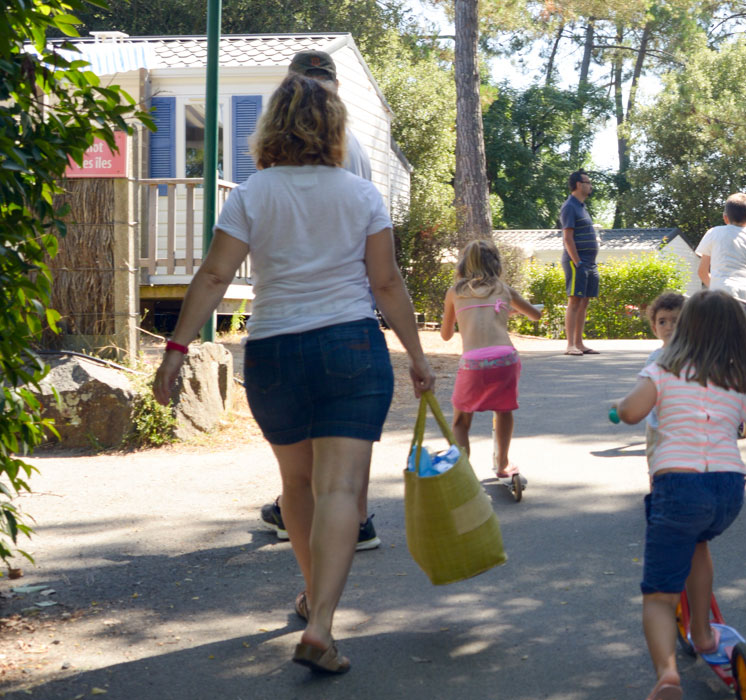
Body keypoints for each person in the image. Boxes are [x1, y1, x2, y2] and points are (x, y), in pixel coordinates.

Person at [153, 73, 436, 673]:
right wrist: (415, 354)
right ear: (335, 130)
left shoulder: (252, 194)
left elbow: (212, 277)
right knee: (340, 489)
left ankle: (313, 601)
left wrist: (175, 351)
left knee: (297, 484)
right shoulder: (362, 195)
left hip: (275, 352)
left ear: (272, 126)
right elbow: (386, 283)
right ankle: (323, 624)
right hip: (351, 349)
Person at [613, 290, 746, 700]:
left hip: (679, 487)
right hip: (726, 491)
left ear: (684, 327)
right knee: (698, 543)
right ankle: (703, 634)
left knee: (658, 594)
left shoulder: (663, 368)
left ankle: (667, 676)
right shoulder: (740, 376)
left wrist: (618, 406)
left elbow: (632, 412)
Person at [258, 49, 381, 550]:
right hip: (351, 310)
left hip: (291, 317)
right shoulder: (357, 149)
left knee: (306, 445)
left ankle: (310, 512)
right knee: (348, 434)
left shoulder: (285, 159)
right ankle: (358, 517)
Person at [440, 239, 542, 477]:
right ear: (495, 264)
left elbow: (445, 335)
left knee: (460, 423)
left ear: (464, 265)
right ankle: (503, 464)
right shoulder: (503, 290)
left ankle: (463, 473)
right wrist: (509, 309)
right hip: (505, 359)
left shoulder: (455, 293)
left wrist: (458, 316)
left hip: (473, 363)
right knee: (503, 410)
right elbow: (535, 315)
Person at [695, 193, 746, 332]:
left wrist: (715, 285)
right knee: (741, 347)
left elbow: (702, 272)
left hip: (718, 300)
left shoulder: (713, 233)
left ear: (725, 218)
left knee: (716, 346)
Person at [560, 169, 600, 355]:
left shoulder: (582, 207)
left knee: (584, 302)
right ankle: (570, 345)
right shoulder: (569, 206)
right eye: (587, 182)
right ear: (578, 184)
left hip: (589, 262)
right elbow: (567, 238)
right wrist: (577, 262)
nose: (590, 185)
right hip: (577, 262)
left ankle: (579, 343)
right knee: (575, 301)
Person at [643, 291, 685, 464]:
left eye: (675, 321)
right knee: (658, 467)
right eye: (662, 322)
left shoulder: (697, 355)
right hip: (658, 426)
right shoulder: (655, 359)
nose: (669, 326)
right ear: (654, 328)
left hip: (689, 425)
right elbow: (645, 390)